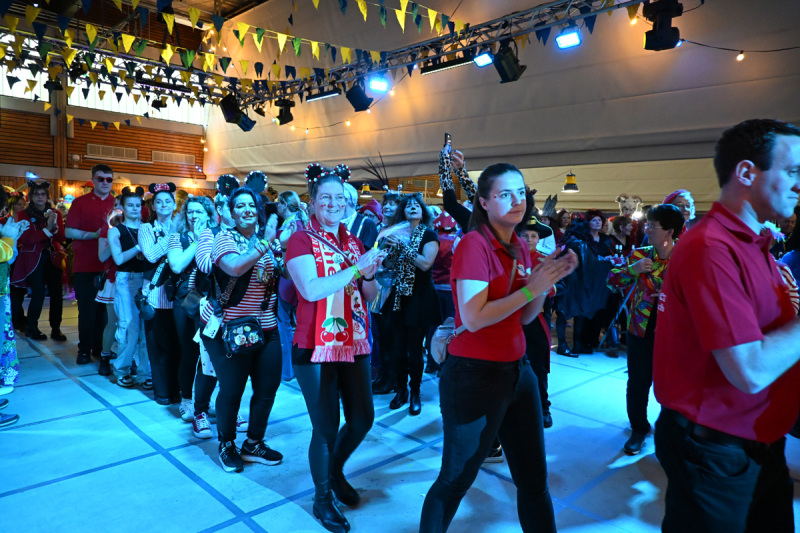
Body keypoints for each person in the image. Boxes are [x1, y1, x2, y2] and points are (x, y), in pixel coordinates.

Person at [653, 119, 800, 533]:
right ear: (747, 172)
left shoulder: (754, 245)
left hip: (757, 440)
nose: (798, 185)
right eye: (791, 171)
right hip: (716, 450)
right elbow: (749, 369)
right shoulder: (711, 248)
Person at [420, 163, 576, 532]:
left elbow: (524, 317)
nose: (517, 200)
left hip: (518, 372)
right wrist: (531, 289)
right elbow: (474, 317)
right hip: (473, 377)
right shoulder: (474, 244)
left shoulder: (519, 245)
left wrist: (544, 284)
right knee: (455, 481)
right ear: (484, 202)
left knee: (534, 482)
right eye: (505, 194)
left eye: (520, 192)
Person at [286, 163, 385, 533]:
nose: (332, 203)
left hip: (354, 342)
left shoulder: (354, 242)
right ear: (312, 203)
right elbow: (310, 289)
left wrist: (370, 273)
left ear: (347, 204)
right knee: (326, 428)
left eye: (339, 198)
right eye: (324, 198)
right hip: (315, 347)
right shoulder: (300, 240)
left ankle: (336, 470)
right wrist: (357, 269)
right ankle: (322, 497)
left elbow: (370, 296)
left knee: (362, 419)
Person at [199, 186, 283, 473]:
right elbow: (235, 267)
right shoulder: (224, 238)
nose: (247, 210)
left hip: (267, 328)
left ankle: (254, 443)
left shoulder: (266, 242)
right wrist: (266, 243)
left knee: (267, 389)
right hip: (231, 329)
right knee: (232, 390)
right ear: (232, 213)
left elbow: (278, 277)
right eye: (240, 206)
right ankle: (226, 444)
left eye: (251, 205)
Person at [607, 204, 684, 455]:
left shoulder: (684, 257)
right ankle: (638, 429)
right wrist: (634, 269)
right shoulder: (640, 255)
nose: (646, 229)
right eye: (647, 224)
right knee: (638, 383)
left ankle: (670, 431)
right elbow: (612, 281)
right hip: (640, 329)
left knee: (671, 385)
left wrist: (672, 295)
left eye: (652, 226)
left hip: (672, 334)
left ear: (669, 231)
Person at [383, 192, 441, 415]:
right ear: (403, 212)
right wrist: (388, 249)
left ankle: (415, 391)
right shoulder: (397, 233)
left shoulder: (429, 234)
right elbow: (389, 264)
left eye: (417, 205)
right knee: (398, 349)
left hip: (420, 297)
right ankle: (401, 390)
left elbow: (425, 264)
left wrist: (402, 247)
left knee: (415, 350)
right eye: (408, 206)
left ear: (423, 211)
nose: (413, 207)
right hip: (399, 296)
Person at [167, 195, 217, 427]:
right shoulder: (178, 237)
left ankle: (205, 401)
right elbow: (176, 265)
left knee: (210, 355)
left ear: (209, 214)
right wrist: (198, 241)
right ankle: (186, 400)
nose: (194, 216)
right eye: (190, 212)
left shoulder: (217, 235)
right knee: (189, 353)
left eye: (199, 212)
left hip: (211, 301)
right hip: (185, 302)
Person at [65, 164, 115, 365]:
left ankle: (101, 348)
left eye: (109, 179)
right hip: (85, 265)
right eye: (100, 179)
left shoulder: (117, 204)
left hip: (110, 268)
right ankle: (84, 350)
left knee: (106, 313)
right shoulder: (80, 202)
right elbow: (69, 231)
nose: (105, 183)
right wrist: (96, 235)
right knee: (87, 311)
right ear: (93, 180)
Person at [138, 183, 181, 405]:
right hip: (156, 294)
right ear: (153, 206)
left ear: (174, 205)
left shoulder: (182, 226)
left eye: (168, 201)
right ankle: (162, 392)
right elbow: (151, 255)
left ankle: (178, 390)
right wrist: (174, 236)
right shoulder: (146, 229)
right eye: (159, 202)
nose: (164, 205)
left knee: (178, 346)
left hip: (179, 296)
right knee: (158, 346)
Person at [9, 180, 66, 341]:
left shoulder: (55, 213)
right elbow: (27, 239)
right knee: (38, 293)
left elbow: (61, 237)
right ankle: (32, 328)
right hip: (33, 258)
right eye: (36, 194)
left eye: (42, 194)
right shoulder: (24, 214)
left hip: (52, 256)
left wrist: (54, 227)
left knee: (57, 293)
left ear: (47, 197)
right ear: (31, 197)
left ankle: (56, 328)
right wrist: (47, 230)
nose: (40, 197)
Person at [518, 215, 559, 428]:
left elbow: (556, 287)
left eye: (533, 236)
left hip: (537, 321)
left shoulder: (545, 260)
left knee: (538, 367)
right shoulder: (511, 258)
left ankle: (543, 407)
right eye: (525, 235)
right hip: (512, 319)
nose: (529, 239)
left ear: (538, 239)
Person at [107, 189, 151, 389]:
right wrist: (140, 247)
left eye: (137, 205)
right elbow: (118, 259)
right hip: (127, 279)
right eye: (130, 205)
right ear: (122, 208)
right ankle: (122, 369)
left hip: (147, 280)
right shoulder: (116, 230)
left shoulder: (147, 228)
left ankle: (145, 372)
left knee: (146, 329)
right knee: (129, 326)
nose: (135, 208)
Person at [276, 190, 309, 382]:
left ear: (284, 204)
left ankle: (288, 369)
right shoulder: (296, 222)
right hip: (290, 277)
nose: (276, 206)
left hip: (288, 278)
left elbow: (293, 254)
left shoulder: (294, 224)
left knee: (285, 324)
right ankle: (290, 367)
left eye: (278, 202)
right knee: (289, 323)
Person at [95, 200, 123, 376]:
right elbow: (102, 256)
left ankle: (128, 358)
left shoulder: (139, 227)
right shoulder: (108, 228)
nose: (120, 209)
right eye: (117, 205)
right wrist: (115, 236)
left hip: (134, 280)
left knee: (131, 324)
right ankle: (105, 357)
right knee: (113, 322)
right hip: (114, 279)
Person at [342, 183, 378, 249]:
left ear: (346, 200)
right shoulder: (331, 221)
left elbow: (368, 252)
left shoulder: (367, 224)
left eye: (338, 198)